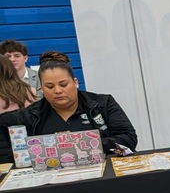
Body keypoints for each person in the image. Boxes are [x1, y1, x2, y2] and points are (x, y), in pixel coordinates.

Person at [0, 51, 137, 162]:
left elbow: (129, 138)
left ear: (75, 82)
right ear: (41, 88)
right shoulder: (31, 115)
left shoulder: (102, 103)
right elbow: (15, 155)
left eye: (63, 84)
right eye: (49, 86)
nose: (58, 91)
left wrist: (77, 143)